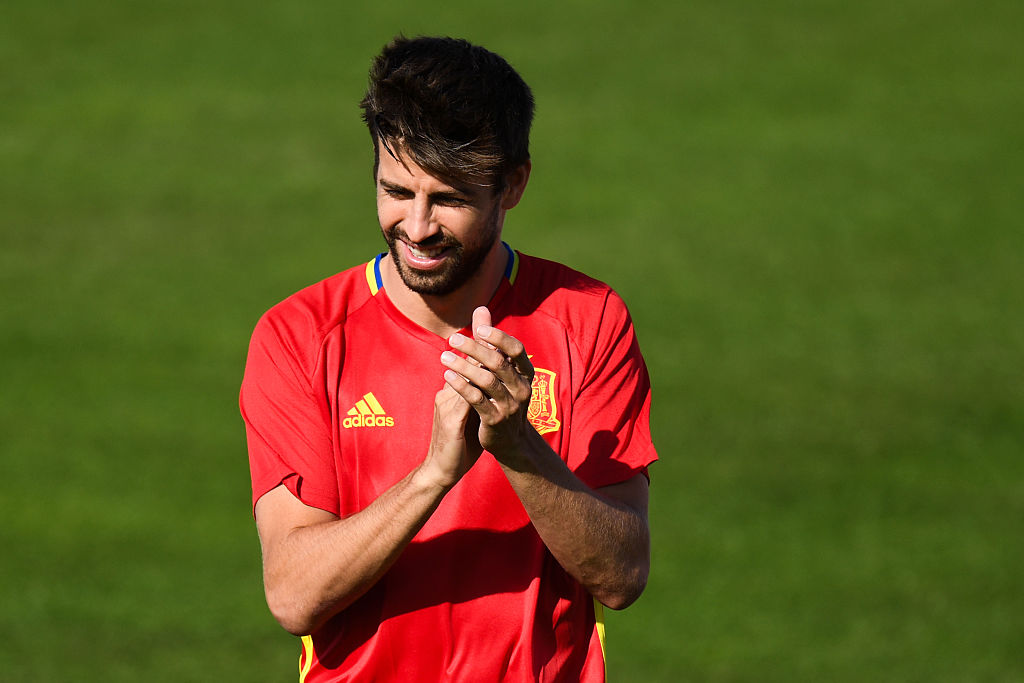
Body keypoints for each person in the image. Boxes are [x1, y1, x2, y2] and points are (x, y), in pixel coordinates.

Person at [240, 35, 657, 682]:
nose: (417, 226)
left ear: (512, 185)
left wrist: (518, 447)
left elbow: (622, 574)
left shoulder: (589, 320)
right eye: (396, 191)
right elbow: (294, 595)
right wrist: (434, 474)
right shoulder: (299, 336)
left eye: (450, 199)